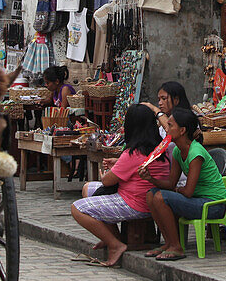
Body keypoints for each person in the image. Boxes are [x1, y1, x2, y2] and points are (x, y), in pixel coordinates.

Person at [70, 105, 170, 266]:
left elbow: (108, 181)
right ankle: (113, 238)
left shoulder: (134, 152)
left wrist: (106, 174)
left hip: (135, 202)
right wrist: (118, 164)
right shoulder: (159, 148)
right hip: (144, 198)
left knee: (77, 208)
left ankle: (115, 244)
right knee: (88, 188)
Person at [140, 108, 226, 261]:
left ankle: (177, 246)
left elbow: (187, 192)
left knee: (161, 197)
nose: (167, 129)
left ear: (182, 130)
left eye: (170, 125)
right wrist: (150, 179)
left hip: (212, 205)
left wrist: (175, 190)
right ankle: (168, 243)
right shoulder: (177, 152)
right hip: (197, 199)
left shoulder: (195, 153)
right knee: (151, 194)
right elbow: (170, 183)